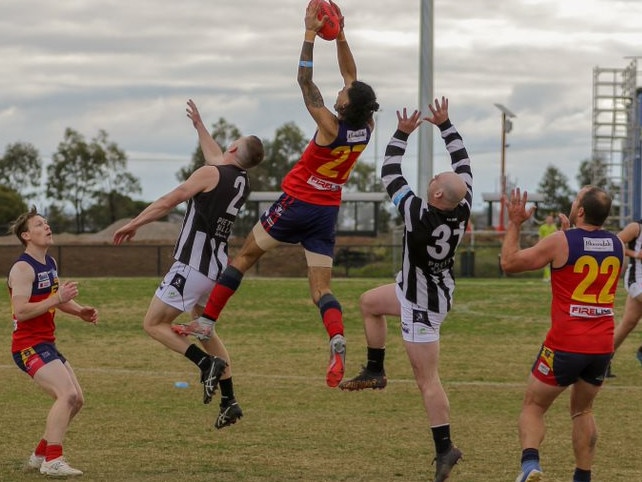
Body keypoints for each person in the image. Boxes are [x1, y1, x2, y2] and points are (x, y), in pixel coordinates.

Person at [173, 0, 379, 388]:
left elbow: (305, 83)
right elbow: (352, 74)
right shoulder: (365, 125)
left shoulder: (330, 126)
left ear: (344, 106)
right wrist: (342, 33)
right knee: (322, 289)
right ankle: (335, 336)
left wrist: (308, 33)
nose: (341, 90)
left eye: (343, 93)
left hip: (296, 204)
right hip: (325, 213)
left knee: (246, 255)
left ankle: (207, 321)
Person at [340, 99, 472, 482]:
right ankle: (376, 369)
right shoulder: (461, 206)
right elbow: (463, 164)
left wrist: (402, 132)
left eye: (434, 181)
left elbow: (389, 171)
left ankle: (446, 448)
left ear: (436, 197)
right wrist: (446, 126)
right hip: (424, 289)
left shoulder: (417, 212)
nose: (431, 179)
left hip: (421, 304)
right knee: (369, 303)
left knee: (427, 381)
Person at [113, 99, 264, 428]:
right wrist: (199, 125)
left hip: (193, 266)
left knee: (153, 324)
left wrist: (135, 222)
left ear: (235, 146)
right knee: (204, 326)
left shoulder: (210, 173)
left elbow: (170, 200)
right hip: (216, 269)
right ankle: (229, 400)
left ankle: (202, 364)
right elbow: (216, 158)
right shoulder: (240, 181)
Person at [500, 186, 624, 482]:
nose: (572, 201)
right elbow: (588, 258)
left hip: (567, 342)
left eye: (576, 199)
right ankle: (582, 477)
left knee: (533, 406)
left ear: (580, 211)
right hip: (602, 344)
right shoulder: (617, 244)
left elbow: (509, 263)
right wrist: (570, 237)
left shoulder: (560, 241)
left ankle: (530, 465)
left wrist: (516, 223)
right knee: (582, 411)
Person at [8, 207, 99, 477]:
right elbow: (22, 311)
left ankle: (40, 455)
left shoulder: (50, 263)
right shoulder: (23, 268)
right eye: (39, 224)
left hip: (45, 343)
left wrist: (79, 310)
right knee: (67, 395)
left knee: (77, 400)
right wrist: (58, 300)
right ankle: (53, 461)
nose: (47, 226)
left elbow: (57, 298)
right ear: (26, 235)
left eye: (47, 223)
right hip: (27, 346)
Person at [612, 220, 642, 363]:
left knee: (628, 323)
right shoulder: (636, 227)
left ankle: (603, 359)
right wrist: (636, 254)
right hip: (637, 278)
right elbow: (614, 244)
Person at [538, 214, 557, 282]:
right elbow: (540, 237)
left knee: (551, 263)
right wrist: (539, 245)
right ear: (546, 220)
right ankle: (547, 277)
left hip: (552, 247)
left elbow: (557, 237)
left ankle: (550, 277)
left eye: (551, 219)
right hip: (545, 246)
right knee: (545, 263)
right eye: (548, 219)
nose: (549, 220)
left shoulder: (554, 227)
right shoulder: (542, 227)